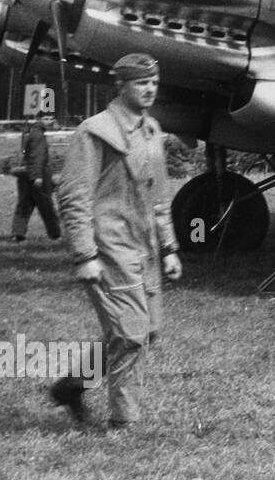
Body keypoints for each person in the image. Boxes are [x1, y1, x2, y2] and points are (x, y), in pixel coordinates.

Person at [49, 54, 181, 428]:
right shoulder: (95, 130)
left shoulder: (151, 130)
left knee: (146, 331)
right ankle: (124, 422)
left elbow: (158, 197)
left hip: (146, 249)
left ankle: (72, 386)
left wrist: (170, 247)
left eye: (154, 81)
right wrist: (84, 254)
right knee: (130, 333)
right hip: (108, 249)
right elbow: (74, 196)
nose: (150, 88)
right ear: (120, 86)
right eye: (141, 82)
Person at [8, 111, 61, 242]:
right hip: (39, 174)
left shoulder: (30, 132)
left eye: (51, 118)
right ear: (38, 119)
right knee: (46, 205)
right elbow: (37, 157)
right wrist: (37, 176)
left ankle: (18, 233)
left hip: (26, 174)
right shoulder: (38, 135)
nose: (49, 121)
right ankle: (55, 234)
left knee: (24, 205)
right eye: (46, 118)